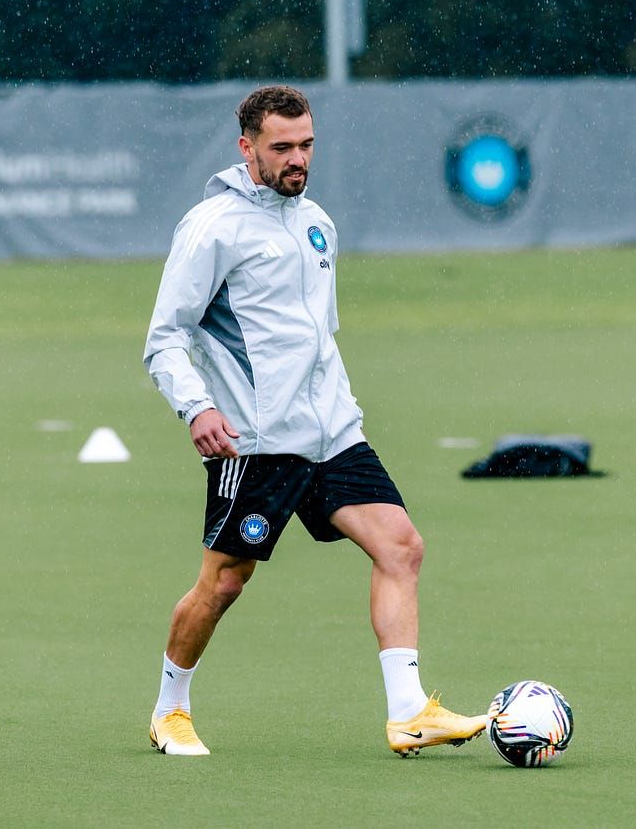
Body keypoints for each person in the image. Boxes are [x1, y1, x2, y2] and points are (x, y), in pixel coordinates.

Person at [142, 85, 489, 757]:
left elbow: (318, 336)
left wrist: (340, 410)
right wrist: (196, 405)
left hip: (333, 433)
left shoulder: (317, 223)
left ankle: (408, 712)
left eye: (306, 145)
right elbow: (164, 338)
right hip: (256, 440)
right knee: (225, 581)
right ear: (247, 148)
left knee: (401, 547)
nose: (297, 159)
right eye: (282, 147)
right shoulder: (212, 227)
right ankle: (169, 710)